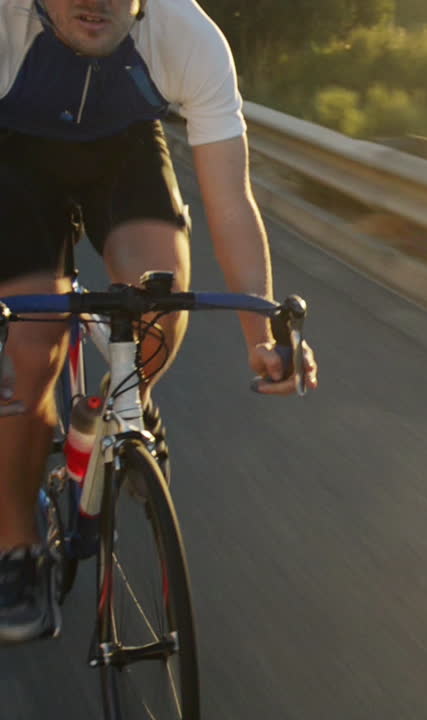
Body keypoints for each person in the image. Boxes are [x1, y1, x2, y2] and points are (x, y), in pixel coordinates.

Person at [0, 0, 318, 644]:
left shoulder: (187, 37)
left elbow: (230, 203)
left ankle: (124, 403)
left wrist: (262, 333)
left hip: (123, 155)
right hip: (13, 160)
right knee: (28, 353)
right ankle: (16, 546)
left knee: (157, 306)